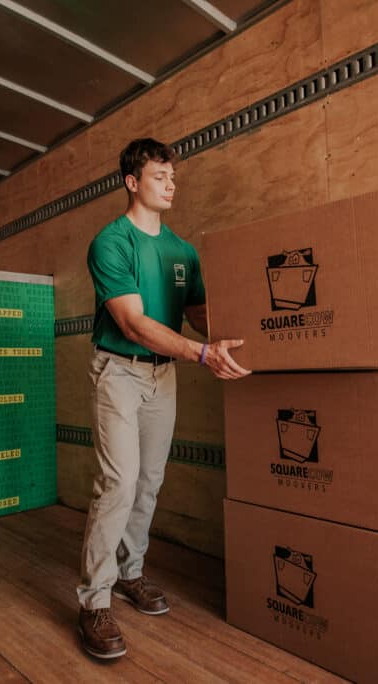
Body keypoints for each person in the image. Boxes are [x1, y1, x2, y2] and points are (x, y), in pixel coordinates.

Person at [77, 138, 250, 659]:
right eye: (159, 175)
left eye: (173, 176)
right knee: (119, 482)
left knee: (149, 482)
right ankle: (94, 601)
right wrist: (203, 355)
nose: (170, 183)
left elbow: (202, 317)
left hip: (163, 376)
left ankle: (131, 574)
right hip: (118, 372)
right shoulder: (112, 242)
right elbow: (131, 322)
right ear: (132, 182)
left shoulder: (183, 251)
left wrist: (253, 330)